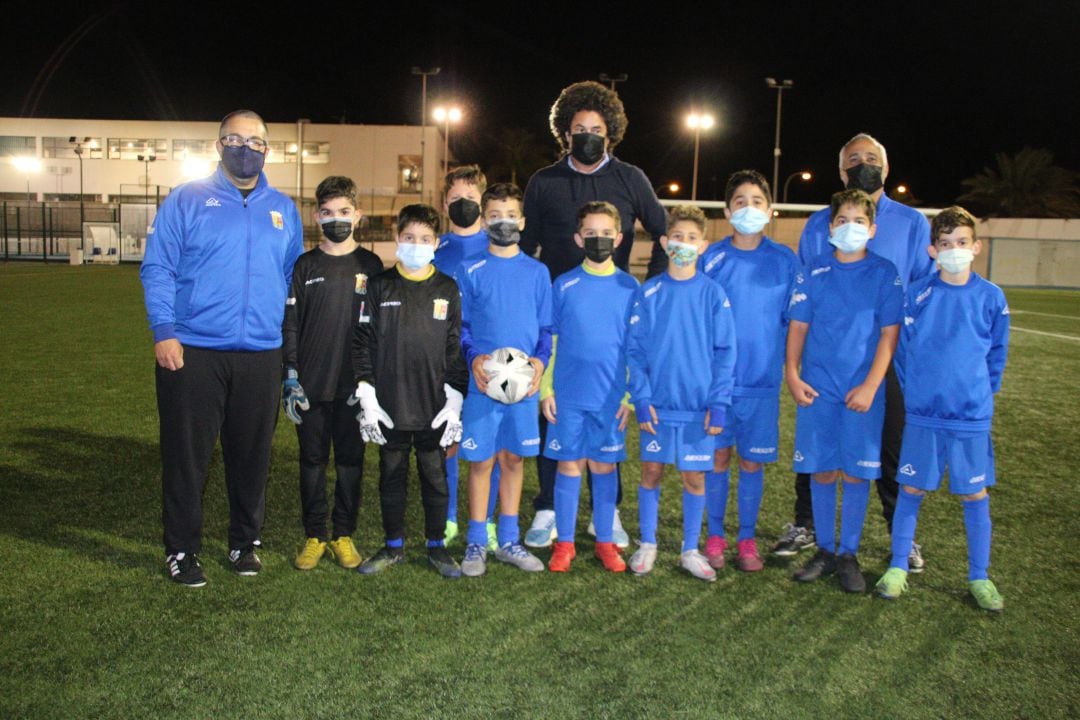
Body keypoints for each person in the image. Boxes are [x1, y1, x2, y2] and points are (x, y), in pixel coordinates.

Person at [141, 109, 303, 586]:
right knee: (187, 457)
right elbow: (157, 268)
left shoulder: (284, 208)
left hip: (261, 352)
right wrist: (163, 329)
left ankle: (243, 542)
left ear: (267, 150)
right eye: (234, 139)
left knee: (252, 455)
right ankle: (181, 550)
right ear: (218, 145)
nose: (244, 148)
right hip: (193, 350)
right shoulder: (186, 199)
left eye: (254, 142)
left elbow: (292, 280)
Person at [775, 132, 933, 572]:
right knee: (817, 442)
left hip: (888, 357)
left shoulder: (912, 223)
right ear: (841, 170)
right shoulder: (818, 223)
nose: (863, 164)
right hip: (828, 357)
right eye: (853, 159)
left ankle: (901, 533)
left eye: (871, 158)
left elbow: (921, 285)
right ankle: (807, 524)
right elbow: (806, 286)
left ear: (886, 166)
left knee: (888, 447)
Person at [521, 80, 668, 549]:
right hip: (560, 315)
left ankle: (608, 511)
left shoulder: (631, 178)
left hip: (612, 321)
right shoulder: (544, 181)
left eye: (596, 129)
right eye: (578, 128)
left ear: (611, 133)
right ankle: (547, 504)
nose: (587, 135)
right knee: (554, 410)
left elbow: (664, 234)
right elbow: (526, 250)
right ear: (565, 133)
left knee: (610, 409)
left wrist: (650, 291)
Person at [876, 206, 1009, 611]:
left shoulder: (991, 296)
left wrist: (980, 395)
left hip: (969, 417)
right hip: (923, 415)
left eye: (962, 243)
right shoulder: (917, 294)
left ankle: (979, 576)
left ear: (977, 247)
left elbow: (997, 353)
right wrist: (917, 395)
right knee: (911, 487)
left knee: (974, 494)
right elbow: (902, 355)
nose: (954, 250)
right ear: (933, 250)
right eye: (946, 244)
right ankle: (899, 566)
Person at [787, 189, 904, 593]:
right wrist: (792, 373)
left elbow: (890, 335)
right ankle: (825, 549)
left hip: (862, 391)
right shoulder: (813, 270)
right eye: (841, 220)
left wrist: (872, 385)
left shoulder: (884, 272)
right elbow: (798, 327)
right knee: (822, 468)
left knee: (855, 474)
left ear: (872, 229)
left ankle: (848, 554)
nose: (849, 227)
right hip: (819, 388)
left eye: (858, 221)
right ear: (830, 227)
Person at [351, 204, 469, 579]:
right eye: (408, 238)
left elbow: (454, 349)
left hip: (433, 404)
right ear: (396, 239)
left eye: (424, 239)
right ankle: (393, 545)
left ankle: (437, 547)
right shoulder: (379, 285)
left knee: (435, 476)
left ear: (436, 243)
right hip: (390, 404)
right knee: (391, 474)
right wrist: (368, 397)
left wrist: (455, 401)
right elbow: (362, 343)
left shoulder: (447, 289)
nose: (416, 245)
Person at [626, 205, 736, 582]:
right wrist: (641, 398)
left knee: (694, 479)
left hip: (697, 409)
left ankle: (690, 548)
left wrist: (718, 402)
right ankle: (649, 543)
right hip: (657, 407)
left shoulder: (713, 294)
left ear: (703, 246)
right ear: (663, 242)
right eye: (677, 238)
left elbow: (726, 352)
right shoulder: (649, 291)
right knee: (651, 472)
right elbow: (635, 352)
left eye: (692, 239)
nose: (684, 245)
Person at [699, 170, 800, 573]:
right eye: (740, 201)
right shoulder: (713, 258)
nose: (748, 208)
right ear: (727, 210)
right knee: (719, 457)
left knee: (752, 463)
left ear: (770, 211)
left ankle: (746, 539)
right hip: (719, 385)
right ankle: (716, 535)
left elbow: (796, 321)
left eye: (757, 201)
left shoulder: (784, 260)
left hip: (762, 383)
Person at [282, 176, 383, 572]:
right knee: (311, 461)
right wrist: (290, 375)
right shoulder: (305, 266)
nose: (335, 219)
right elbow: (290, 324)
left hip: (354, 388)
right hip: (310, 385)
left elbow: (379, 331)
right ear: (315, 216)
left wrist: (372, 383)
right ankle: (314, 535)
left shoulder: (371, 266)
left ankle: (343, 534)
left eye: (344, 212)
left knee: (350, 463)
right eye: (327, 213)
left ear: (357, 216)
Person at [456, 183, 552, 576]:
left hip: (524, 386)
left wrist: (541, 365)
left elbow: (546, 331)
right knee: (480, 462)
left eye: (510, 215)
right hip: (483, 383)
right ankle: (477, 542)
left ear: (523, 222)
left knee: (513, 458)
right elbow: (459, 327)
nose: (503, 222)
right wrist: (474, 357)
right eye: (494, 215)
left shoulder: (537, 271)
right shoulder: (470, 269)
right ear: (483, 220)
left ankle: (509, 540)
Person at [541, 201, 639, 573]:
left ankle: (605, 542)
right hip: (568, 396)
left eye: (605, 233)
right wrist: (546, 390)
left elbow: (636, 346)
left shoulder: (629, 286)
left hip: (610, 398)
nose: (599, 239)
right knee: (569, 466)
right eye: (591, 233)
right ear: (579, 238)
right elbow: (550, 340)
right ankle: (564, 543)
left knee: (603, 467)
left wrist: (629, 396)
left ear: (619, 237)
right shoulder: (564, 284)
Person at [432, 165, 498, 546]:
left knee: (486, 446)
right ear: (444, 203)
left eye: (470, 200)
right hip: (442, 362)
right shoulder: (435, 248)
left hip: (486, 361)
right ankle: (450, 518)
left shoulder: (497, 245)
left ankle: (485, 521)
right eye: (455, 199)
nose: (462, 206)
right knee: (447, 444)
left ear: (483, 203)